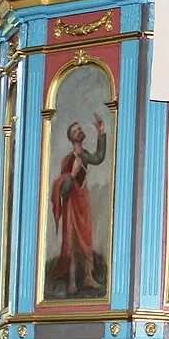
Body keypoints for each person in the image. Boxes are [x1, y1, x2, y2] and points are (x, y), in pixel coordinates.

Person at [48, 115, 105, 295]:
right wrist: (72, 174)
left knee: (87, 239)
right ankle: (72, 281)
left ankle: (88, 277)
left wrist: (101, 133)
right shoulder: (68, 160)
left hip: (83, 201)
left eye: (79, 129)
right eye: (75, 131)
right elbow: (63, 189)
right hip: (72, 204)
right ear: (72, 138)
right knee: (72, 242)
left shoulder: (84, 155)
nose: (79, 131)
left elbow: (98, 158)